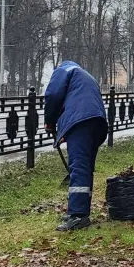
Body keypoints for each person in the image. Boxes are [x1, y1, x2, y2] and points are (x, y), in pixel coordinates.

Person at [44, 61, 108, 231]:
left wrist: (49, 121)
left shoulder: (63, 70)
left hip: (80, 121)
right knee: (85, 167)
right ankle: (80, 209)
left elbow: (53, 95)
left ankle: (78, 215)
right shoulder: (85, 75)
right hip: (97, 122)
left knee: (79, 167)